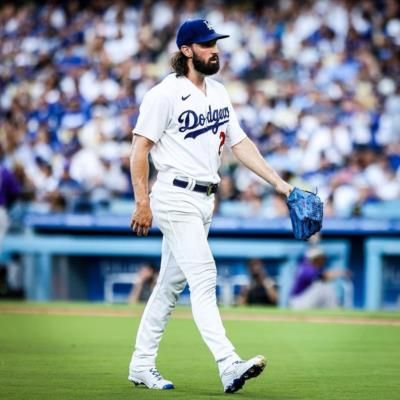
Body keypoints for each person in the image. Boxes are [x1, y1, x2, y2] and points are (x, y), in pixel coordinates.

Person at [128, 19, 293, 394]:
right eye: (205, 44)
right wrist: (142, 201)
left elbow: (241, 145)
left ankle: (140, 365)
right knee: (204, 276)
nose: (214, 49)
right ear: (186, 50)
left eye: (215, 42)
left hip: (205, 200)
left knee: (169, 287)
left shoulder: (218, 91)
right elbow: (139, 149)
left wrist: (281, 185)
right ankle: (228, 364)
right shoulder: (163, 94)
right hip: (174, 195)